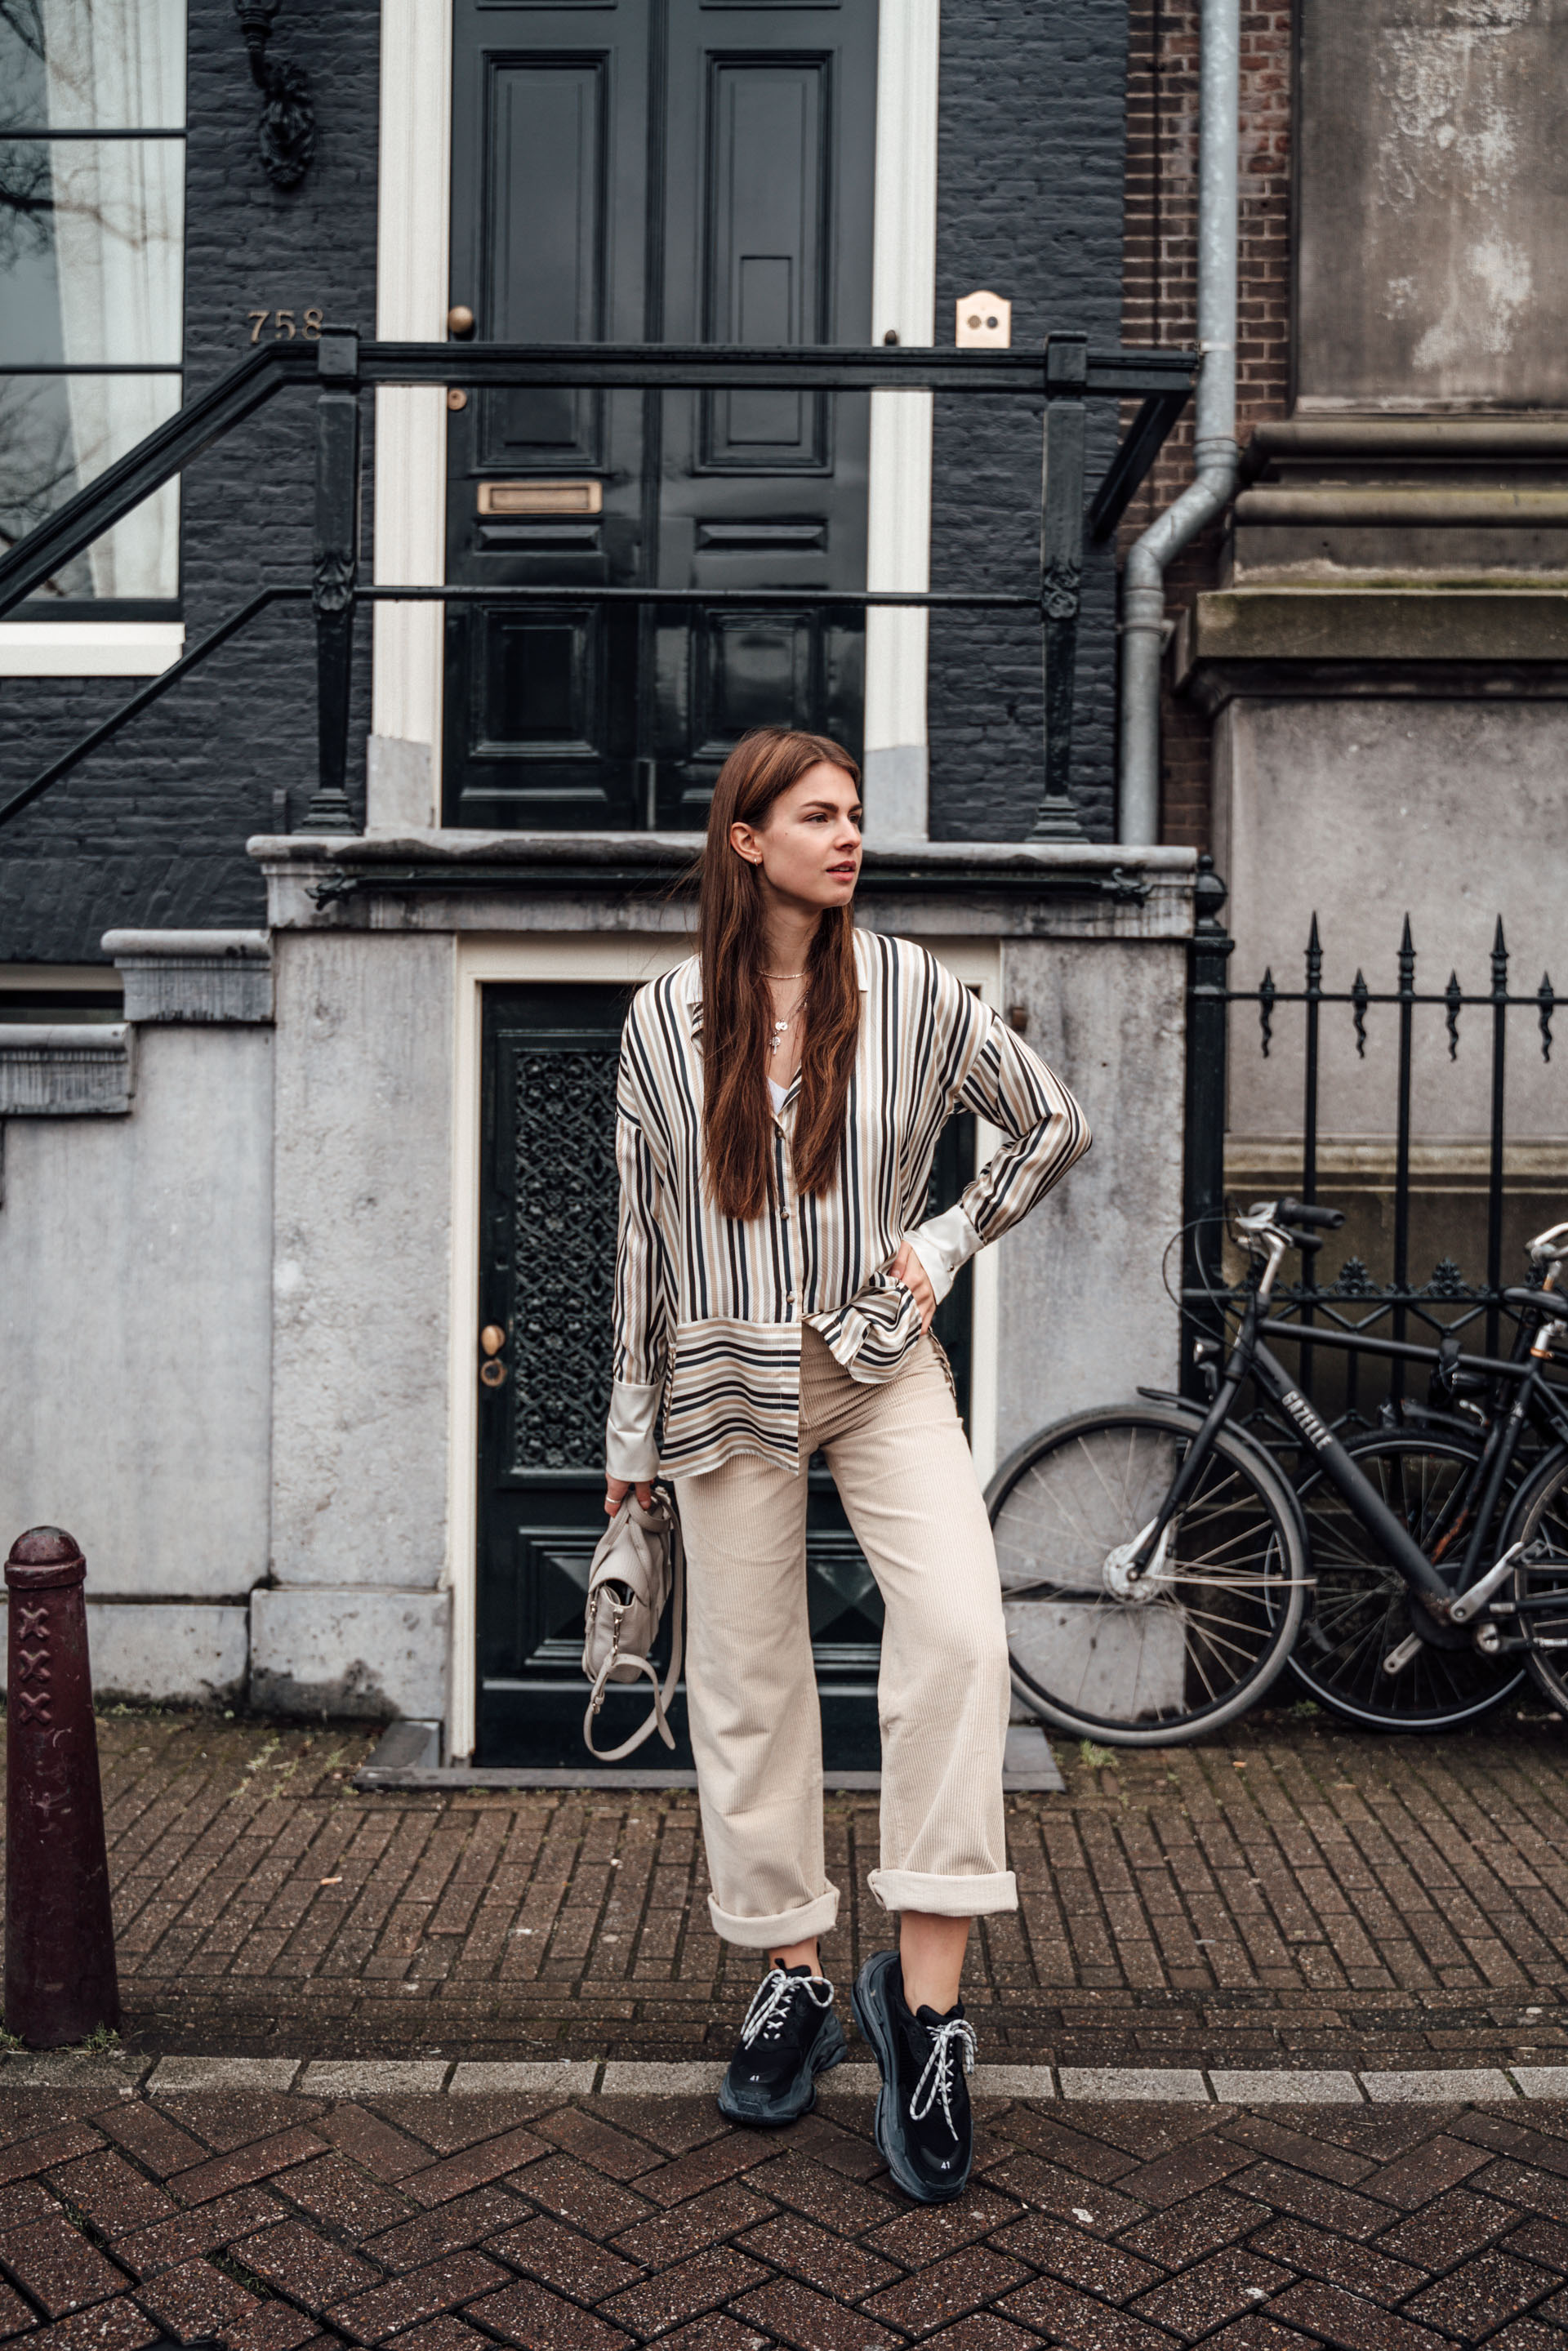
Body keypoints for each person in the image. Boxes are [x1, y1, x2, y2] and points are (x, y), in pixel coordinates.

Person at [604, 725, 1089, 2202]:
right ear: (746, 839)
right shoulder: (663, 1018)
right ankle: (797, 1980)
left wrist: (942, 1243)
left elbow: (1051, 1123)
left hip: (880, 1359)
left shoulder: (920, 994)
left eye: (857, 814)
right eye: (817, 814)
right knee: (750, 1683)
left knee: (956, 1635)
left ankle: (927, 2013)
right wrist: (629, 1450)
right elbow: (639, 1243)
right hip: (722, 1372)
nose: (848, 834)